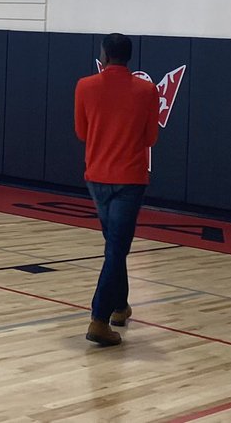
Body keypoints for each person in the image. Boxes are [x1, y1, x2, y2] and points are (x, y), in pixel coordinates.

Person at [74, 32, 160, 347]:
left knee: (114, 246)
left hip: (96, 176)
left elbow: (82, 132)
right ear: (129, 57)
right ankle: (99, 319)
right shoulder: (147, 90)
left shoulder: (85, 86)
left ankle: (120, 308)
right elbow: (151, 138)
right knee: (116, 248)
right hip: (130, 178)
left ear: (105, 55)